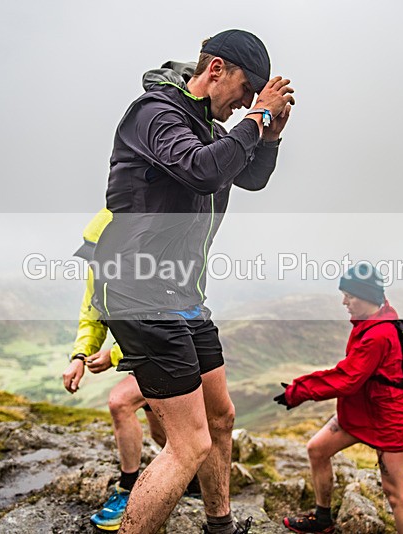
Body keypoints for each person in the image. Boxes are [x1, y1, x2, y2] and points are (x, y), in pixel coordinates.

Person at [91, 30, 294, 534]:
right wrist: (255, 119)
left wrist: (267, 136)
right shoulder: (156, 114)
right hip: (138, 289)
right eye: (246, 90)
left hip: (182, 294)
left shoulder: (208, 126)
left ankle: (219, 526)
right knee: (189, 443)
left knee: (221, 418)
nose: (247, 102)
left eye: (254, 98)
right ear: (217, 69)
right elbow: (203, 171)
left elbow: (247, 176)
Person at [61, 209, 201, 531]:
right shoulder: (100, 273)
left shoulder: (150, 271)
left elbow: (165, 325)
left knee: (120, 402)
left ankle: (127, 489)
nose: (94, 265)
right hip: (145, 357)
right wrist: (80, 356)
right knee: (162, 433)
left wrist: (114, 355)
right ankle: (191, 483)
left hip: (171, 355)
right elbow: (92, 315)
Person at [274, 263, 403, 534]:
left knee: (395, 494)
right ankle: (322, 519)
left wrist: (299, 391)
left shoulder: (379, 333)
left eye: (349, 296)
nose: (344, 302)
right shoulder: (375, 318)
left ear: (367, 296)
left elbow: (347, 377)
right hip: (362, 409)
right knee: (317, 449)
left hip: (392, 418)